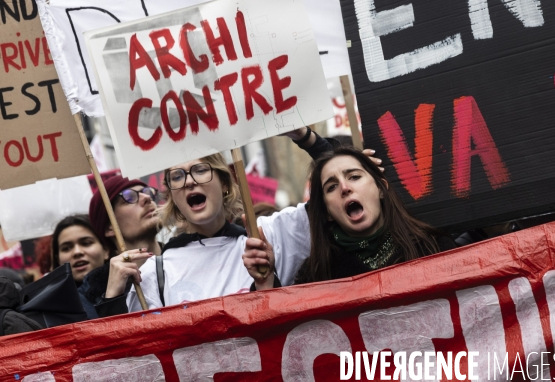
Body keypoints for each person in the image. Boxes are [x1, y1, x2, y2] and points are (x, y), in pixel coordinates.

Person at [97, 126, 348, 313]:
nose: (190, 181)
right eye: (177, 176)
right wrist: (112, 297)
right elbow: (132, 357)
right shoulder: (155, 273)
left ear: (225, 183)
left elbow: (344, 193)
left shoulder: (268, 237)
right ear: (172, 196)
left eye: (200, 170)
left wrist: (307, 138)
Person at [244, 147, 456, 289]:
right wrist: (266, 282)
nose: (345, 188)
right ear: (326, 211)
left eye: (354, 177)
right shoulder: (315, 277)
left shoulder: (434, 248)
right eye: (332, 187)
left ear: (381, 188)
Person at [87, 176, 158, 313]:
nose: (147, 198)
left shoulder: (185, 258)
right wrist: (112, 299)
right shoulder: (91, 296)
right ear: (109, 227)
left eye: (148, 192)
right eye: (129, 197)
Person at [51, 215, 118, 318]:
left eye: (86, 243)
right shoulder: (51, 310)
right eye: (66, 248)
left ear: (106, 250)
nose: (77, 252)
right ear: (58, 259)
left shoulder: (132, 287)